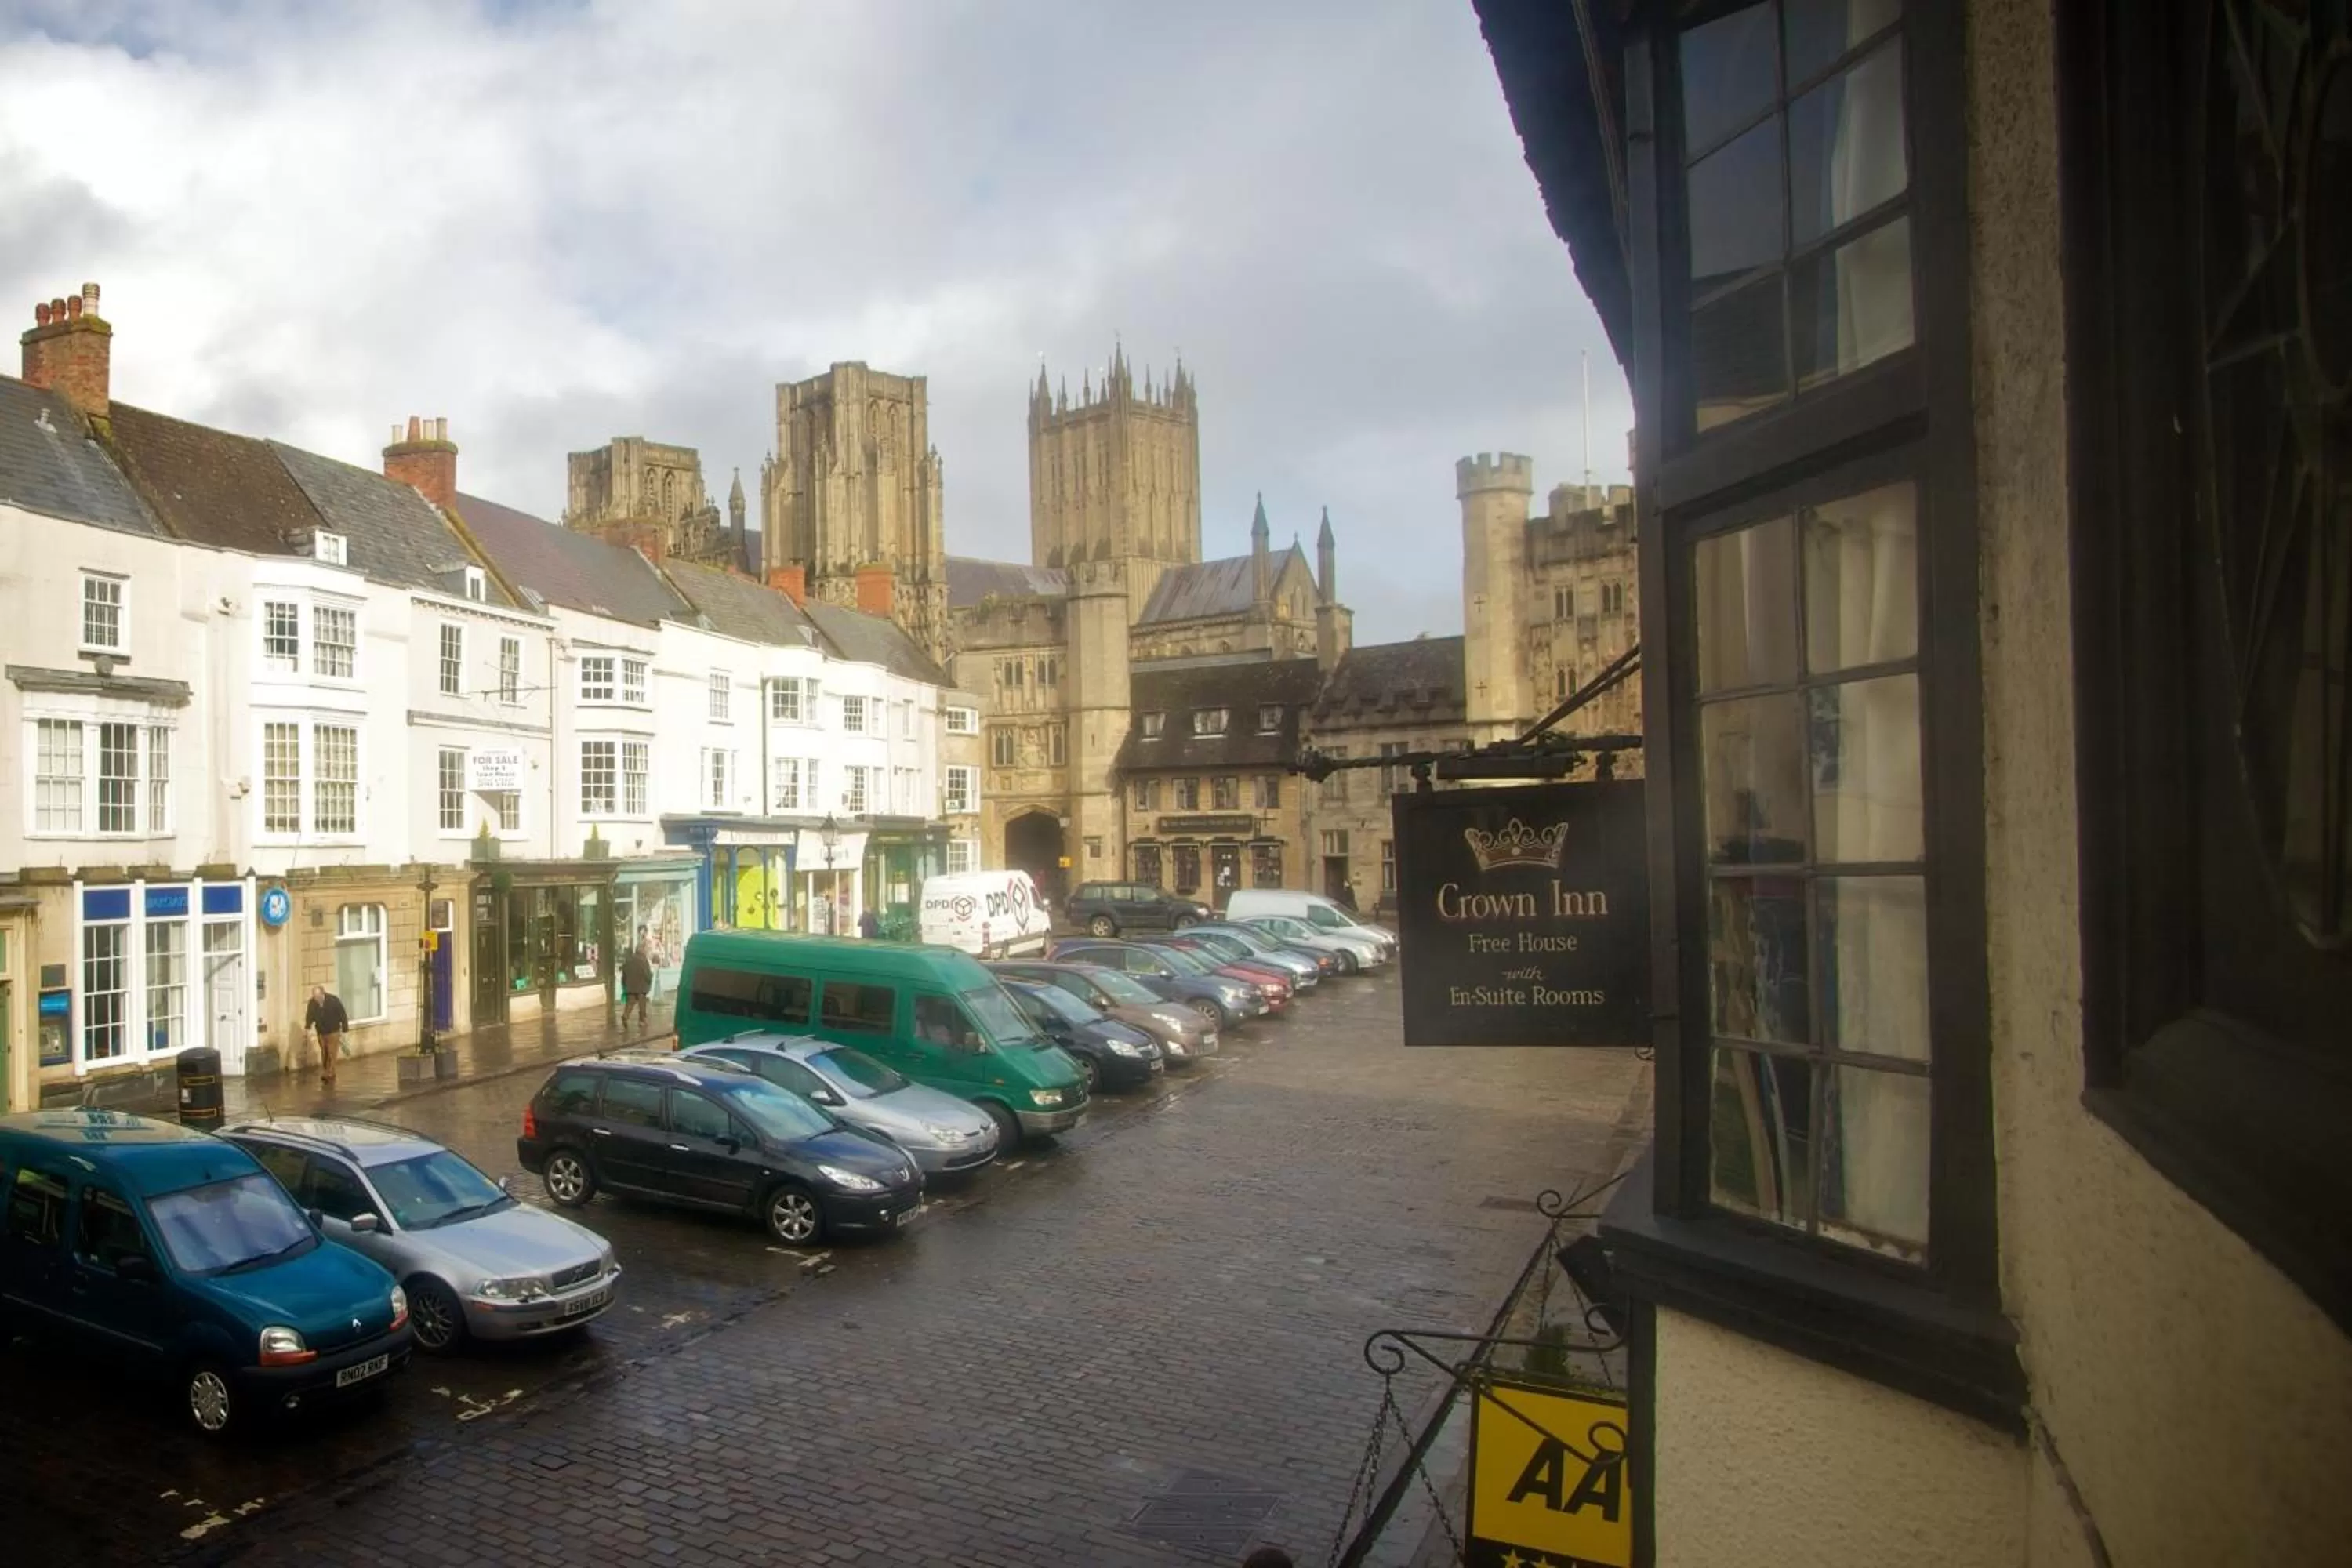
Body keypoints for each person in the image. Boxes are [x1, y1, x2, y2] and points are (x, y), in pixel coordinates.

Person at [303, 985, 349, 1089]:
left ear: (323, 993)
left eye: (318, 996)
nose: (316, 998)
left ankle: (330, 1072)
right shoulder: (312, 1003)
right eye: (314, 996)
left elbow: (342, 1014)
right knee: (324, 1052)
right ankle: (326, 1070)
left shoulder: (333, 1000)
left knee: (332, 1052)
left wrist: (345, 1029)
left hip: (333, 1031)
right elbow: (309, 1016)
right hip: (321, 1032)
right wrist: (307, 1027)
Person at [620, 927, 654, 1033]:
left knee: (630, 1003)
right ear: (643, 950)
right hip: (641, 987)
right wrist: (649, 981)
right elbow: (647, 974)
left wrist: (624, 984)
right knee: (642, 1004)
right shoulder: (644, 961)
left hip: (630, 986)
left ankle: (625, 1016)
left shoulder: (629, 960)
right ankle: (642, 1021)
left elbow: (624, 972)